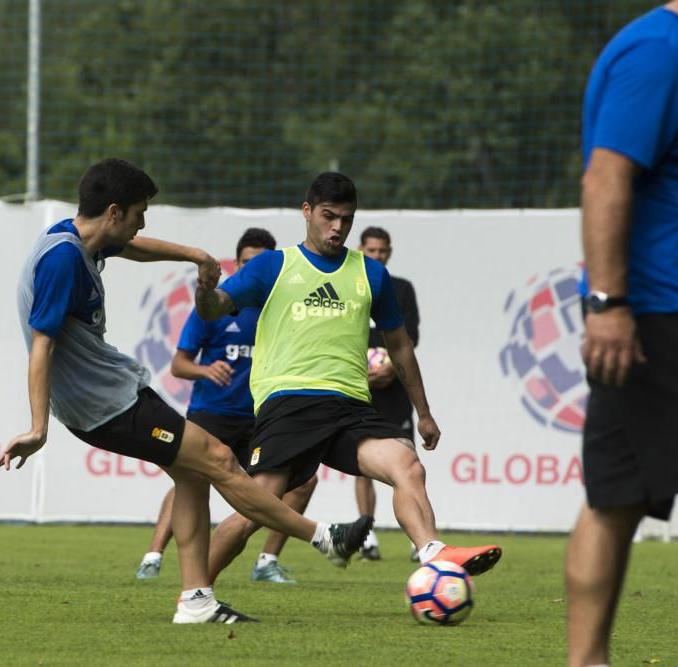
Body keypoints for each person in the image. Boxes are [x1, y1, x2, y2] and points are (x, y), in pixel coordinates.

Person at [0, 158, 372, 624]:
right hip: (106, 407)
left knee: (192, 474)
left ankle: (197, 601)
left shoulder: (74, 238)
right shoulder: (61, 262)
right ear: (114, 212)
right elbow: (41, 346)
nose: (142, 224)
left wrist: (193, 254)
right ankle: (323, 537)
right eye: (138, 214)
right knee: (216, 458)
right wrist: (37, 427)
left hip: (116, 393)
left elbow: (131, 247)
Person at [196, 171, 503, 585]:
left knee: (407, 464)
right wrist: (204, 289)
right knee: (258, 506)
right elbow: (214, 309)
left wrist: (424, 413)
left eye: (347, 218)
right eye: (328, 215)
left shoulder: (371, 274)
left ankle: (433, 554)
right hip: (290, 403)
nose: (338, 227)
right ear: (307, 212)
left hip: (351, 408)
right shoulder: (274, 265)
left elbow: (400, 346)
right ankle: (195, 593)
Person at [566, 3, 678, 666]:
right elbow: (606, 175)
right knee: (614, 497)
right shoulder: (661, 52)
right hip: (663, 314)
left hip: (668, 311)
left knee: (617, 495)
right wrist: (610, 303)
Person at [135, 228, 318, 585]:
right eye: (248, 263)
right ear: (237, 265)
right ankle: (153, 555)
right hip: (212, 414)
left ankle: (267, 561)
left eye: (261, 264)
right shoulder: (217, 307)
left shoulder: (282, 309)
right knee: (191, 479)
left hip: (260, 418)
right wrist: (205, 368)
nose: (254, 269)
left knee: (303, 481)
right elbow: (178, 365)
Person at [354, 226, 420, 561]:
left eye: (382, 251)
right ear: (361, 250)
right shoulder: (348, 284)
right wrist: (360, 373)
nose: (377, 256)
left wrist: (389, 369)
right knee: (363, 464)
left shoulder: (401, 289)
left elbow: (410, 338)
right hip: (358, 387)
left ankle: (416, 537)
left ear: (389, 253)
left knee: (406, 460)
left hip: (394, 389)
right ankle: (367, 536)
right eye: (371, 251)